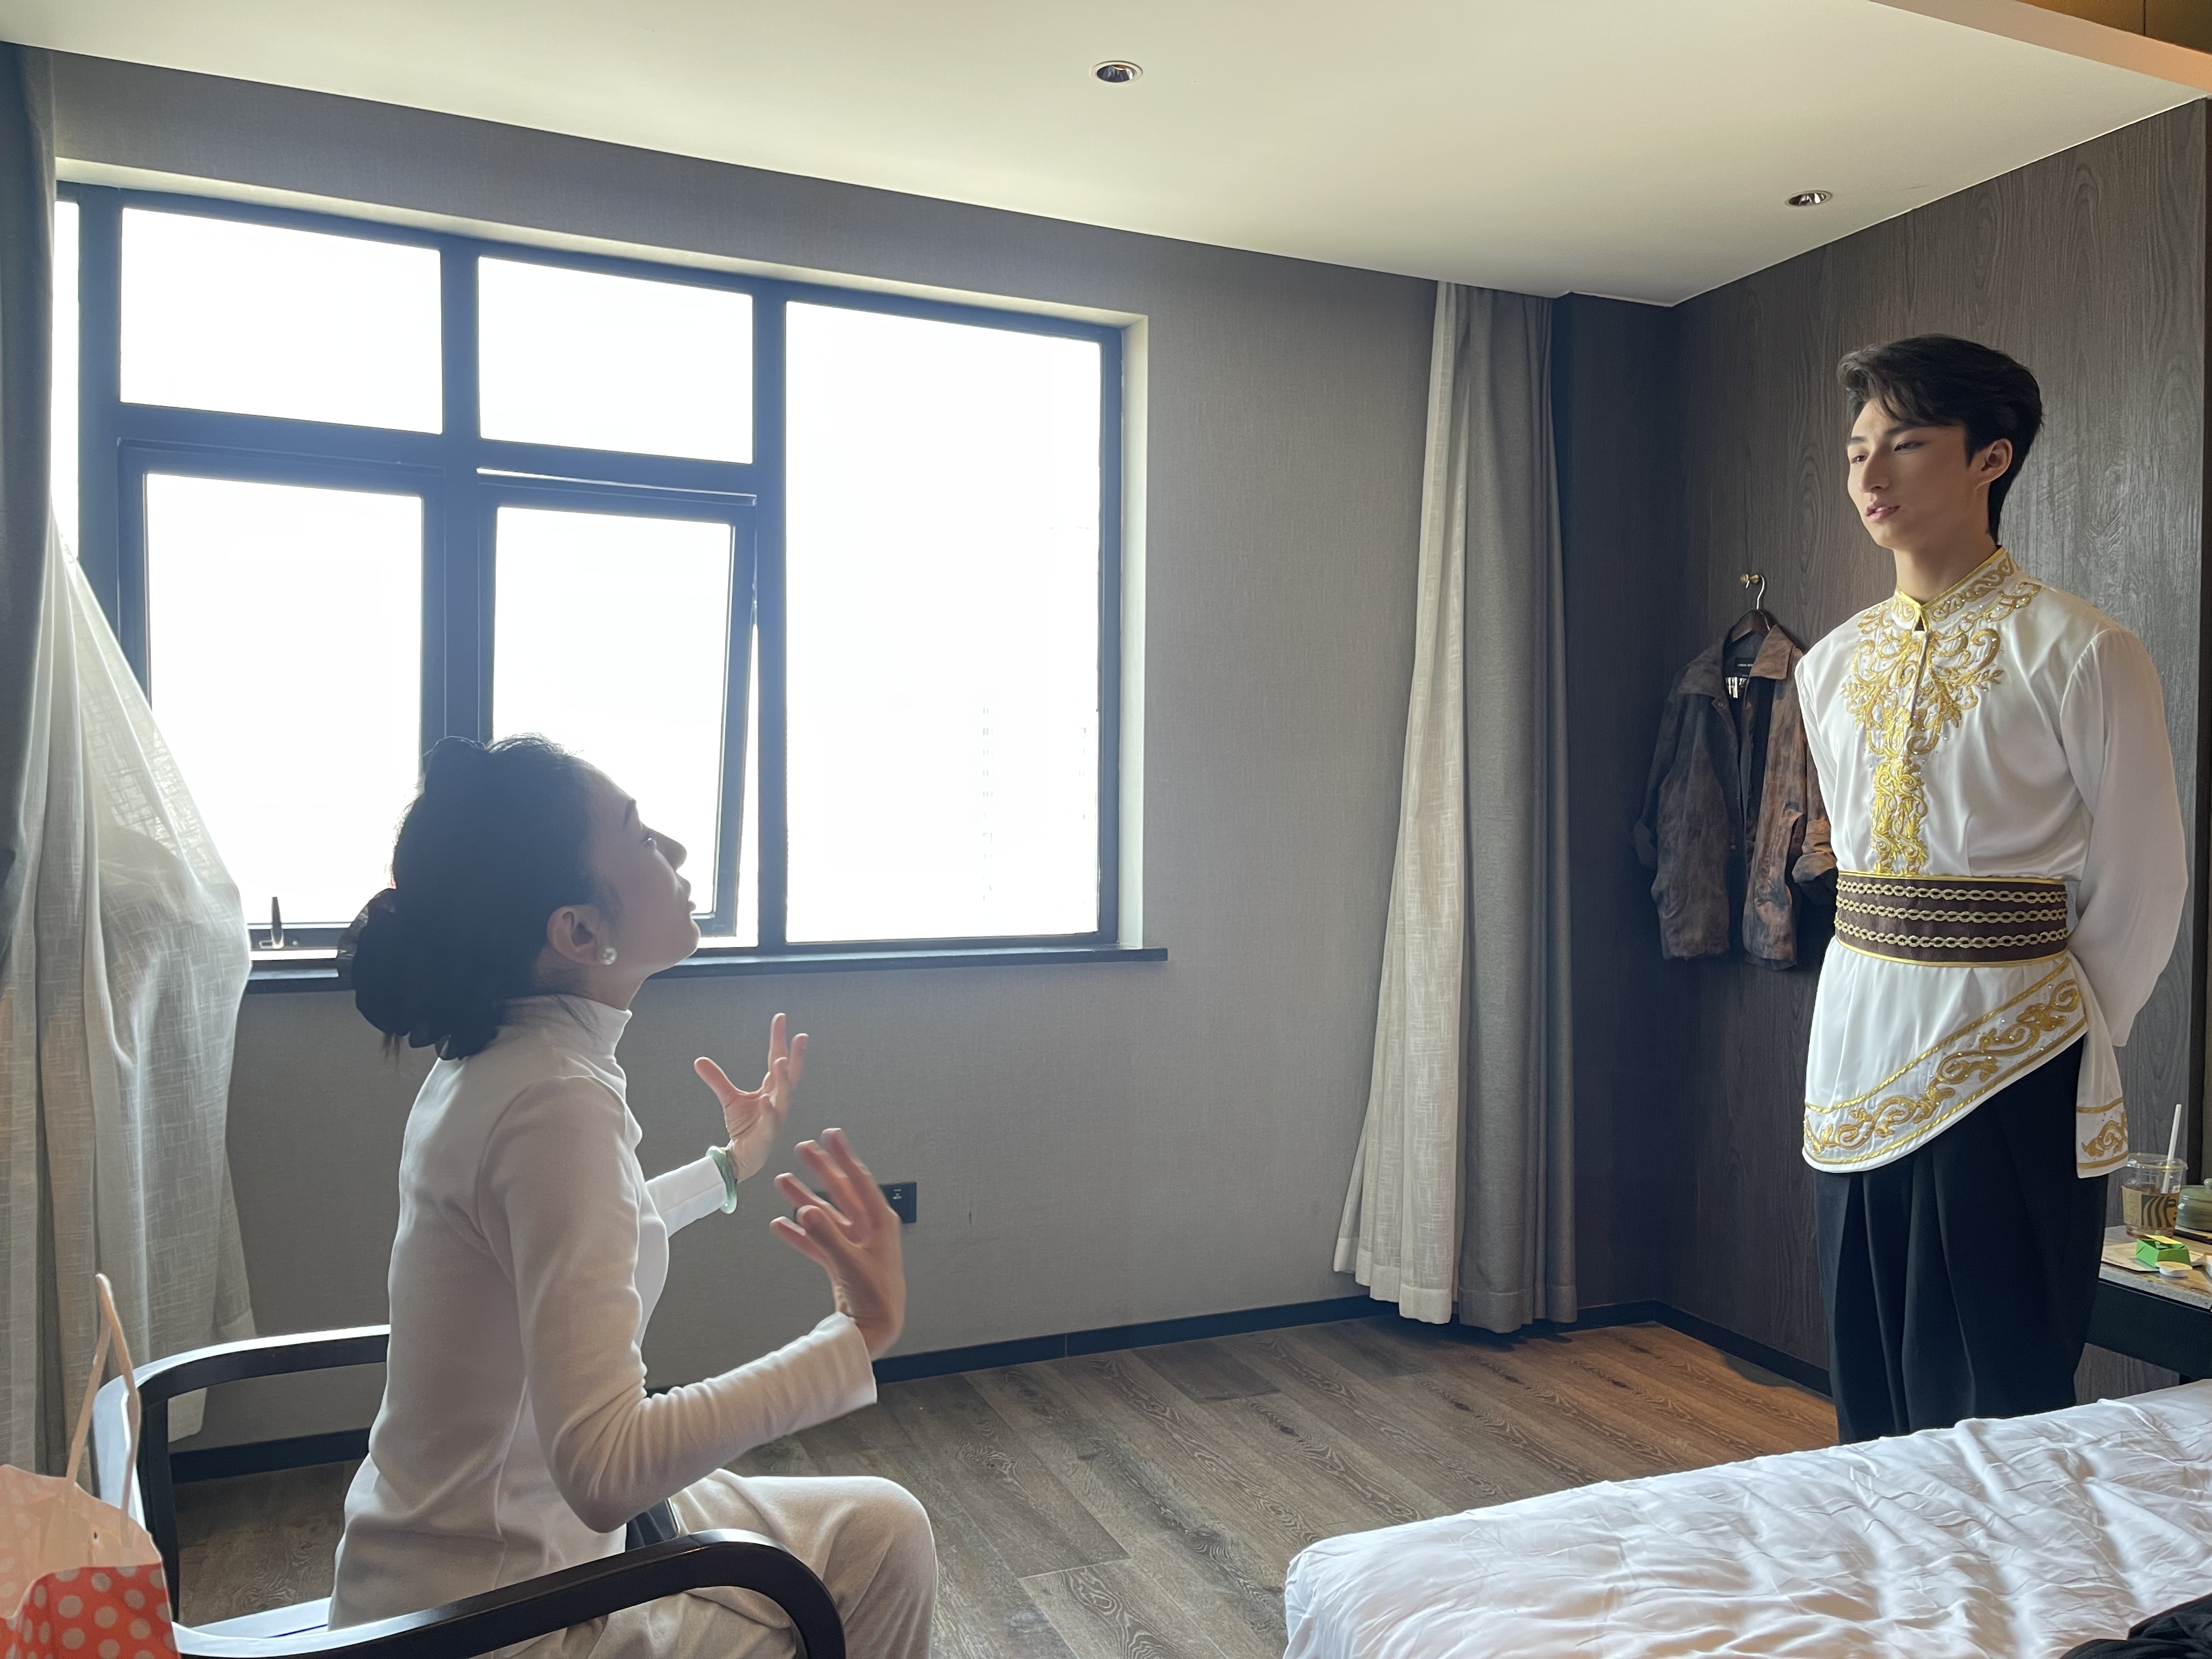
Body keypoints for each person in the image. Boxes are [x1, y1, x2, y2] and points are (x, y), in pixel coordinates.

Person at [328, 734, 934, 1658]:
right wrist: (853, 1340)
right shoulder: (554, 1098)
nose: (678, 851)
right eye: (642, 836)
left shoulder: (500, 1062)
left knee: (878, 1528)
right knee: (880, 1547)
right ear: (578, 932)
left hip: (459, 1558)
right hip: (502, 1616)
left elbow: (575, 1235)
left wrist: (728, 1168)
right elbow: (606, 1467)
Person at [1796, 335, 2188, 1442]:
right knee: (1869, 1383)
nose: (1870, 475)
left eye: (1906, 444)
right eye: (1857, 451)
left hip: (2014, 1056)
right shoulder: (1829, 666)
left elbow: (2146, 878)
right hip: (1851, 1048)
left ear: (1990, 458)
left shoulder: (2083, 650)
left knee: (1999, 1397)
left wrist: (2068, 1025)